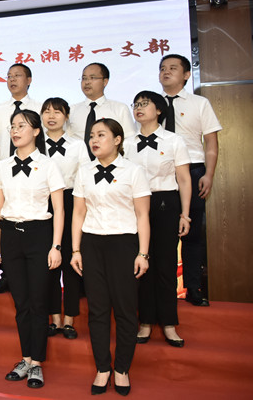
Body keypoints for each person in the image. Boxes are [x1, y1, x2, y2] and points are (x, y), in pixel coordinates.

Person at [71, 118, 150, 396]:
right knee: (98, 310)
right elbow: (78, 213)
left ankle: (122, 369)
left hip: (124, 244)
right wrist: (76, 250)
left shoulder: (134, 171)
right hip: (92, 243)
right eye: (92, 135)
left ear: (117, 140)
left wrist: (142, 253)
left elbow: (142, 215)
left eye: (101, 135)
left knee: (126, 311)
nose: (94, 140)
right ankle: (103, 367)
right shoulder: (84, 171)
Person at [0, 109, 64, 389]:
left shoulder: (48, 165)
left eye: (21, 126)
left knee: (37, 302)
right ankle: (25, 359)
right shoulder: (3, 166)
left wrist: (56, 246)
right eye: (12, 126)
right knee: (20, 302)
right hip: (11, 235)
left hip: (39, 235)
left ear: (36, 131)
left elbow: (59, 210)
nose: (15, 130)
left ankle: (37, 364)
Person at [124, 91, 191, 347]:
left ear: (159, 110)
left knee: (165, 265)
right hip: (134, 206)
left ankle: (169, 324)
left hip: (165, 203)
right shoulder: (127, 143)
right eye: (136, 104)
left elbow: (183, 179)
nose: (139, 108)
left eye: (145, 104)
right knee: (141, 265)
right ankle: (145, 322)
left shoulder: (174, 141)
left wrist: (185, 214)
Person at [158, 54, 221, 306]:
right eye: (162, 68)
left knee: (192, 233)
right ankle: (161, 292)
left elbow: (211, 143)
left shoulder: (199, 103)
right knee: (161, 234)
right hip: (162, 173)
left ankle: (193, 288)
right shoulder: (151, 105)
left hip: (193, 170)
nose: (166, 72)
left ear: (186, 75)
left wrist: (209, 174)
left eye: (173, 68)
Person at [0, 63, 42, 294]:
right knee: (4, 221)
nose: (12, 80)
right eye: (9, 76)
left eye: (17, 75)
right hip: (5, 174)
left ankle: (31, 275)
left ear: (29, 80)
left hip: (32, 175)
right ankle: (6, 275)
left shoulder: (39, 108)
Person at [41, 97, 89, 339]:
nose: (51, 116)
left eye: (57, 112)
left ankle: (69, 319)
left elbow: (86, 176)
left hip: (71, 202)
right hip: (43, 203)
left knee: (71, 260)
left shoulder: (78, 145)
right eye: (47, 111)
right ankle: (54, 319)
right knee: (48, 264)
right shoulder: (35, 144)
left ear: (67, 116)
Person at [68, 63, 136, 159]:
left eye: (92, 78)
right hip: (79, 165)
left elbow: (129, 142)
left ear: (105, 81)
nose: (87, 82)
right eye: (84, 78)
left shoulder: (120, 109)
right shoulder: (71, 110)